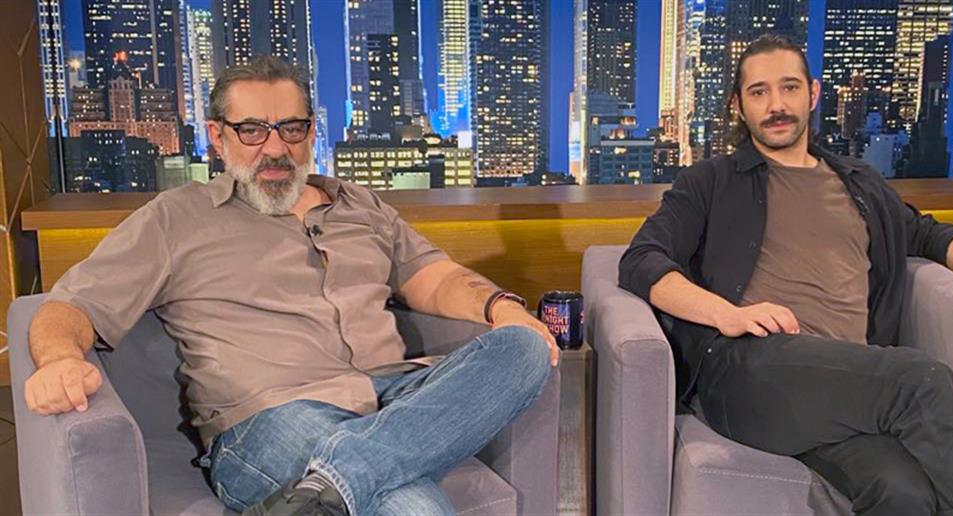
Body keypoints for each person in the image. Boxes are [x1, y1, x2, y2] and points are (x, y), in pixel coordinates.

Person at [23, 56, 558, 516]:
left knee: (524, 347)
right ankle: (346, 481)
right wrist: (58, 361)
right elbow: (72, 305)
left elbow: (434, 277)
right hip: (269, 418)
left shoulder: (359, 204)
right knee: (412, 507)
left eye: (291, 129)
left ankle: (326, 488)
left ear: (311, 131)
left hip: (395, 398)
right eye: (252, 130)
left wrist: (503, 308)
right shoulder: (175, 219)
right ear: (217, 135)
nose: (274, 147)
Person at [619, 34, 953, 516]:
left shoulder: (859, 183)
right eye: (759, 92)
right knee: (920, 379)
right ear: (738, 105)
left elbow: (926, 234)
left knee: (903, 492)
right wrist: (726, 314)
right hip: (750, 372)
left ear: (813, 94)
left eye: (789, 87)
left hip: (847, 380)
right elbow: (641, 259)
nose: (776, 105)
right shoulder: (711, 181)